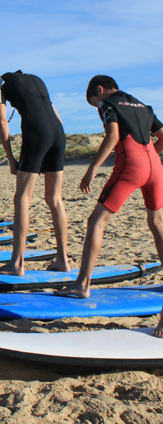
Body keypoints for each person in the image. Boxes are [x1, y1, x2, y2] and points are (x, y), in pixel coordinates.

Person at [56, 77, 163, 336]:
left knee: (97, 221)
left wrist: (92, 169)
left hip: (131, 165)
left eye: (94, 103)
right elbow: (162, 135)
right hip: (155, 166)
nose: (97, 108)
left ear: (99, 91)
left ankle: (82, 284)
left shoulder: (107, 103)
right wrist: (152, 157)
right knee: (157, 222)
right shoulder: (142, 105)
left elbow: (113, 135)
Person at [0, 70, 70, 275]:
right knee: (55, 199)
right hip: (58, 132)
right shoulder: (36, 78)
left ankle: (17, 263)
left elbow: (2, 122)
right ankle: (63, 259)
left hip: (37, 131)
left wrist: (10, 158)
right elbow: (55, 113)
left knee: (22, 198)